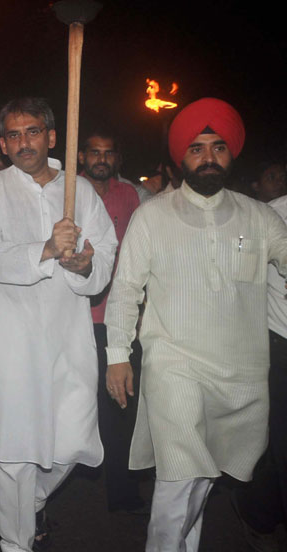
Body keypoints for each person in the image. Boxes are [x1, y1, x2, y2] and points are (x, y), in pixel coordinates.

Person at [105, 98, 287, 552]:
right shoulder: (152, 216)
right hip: (175, 364)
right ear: (180, 157)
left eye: (218, 147)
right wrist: (117, 357)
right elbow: (126, 289)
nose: (208, 158)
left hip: (241, 375)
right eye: (197, 148)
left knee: (204, 478)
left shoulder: (260, 218)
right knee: (179, 477)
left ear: (232, 154)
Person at [0, 97, 117, 552]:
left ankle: (27, 501)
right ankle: (15, 542)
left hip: (68, 339)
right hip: (10, 340)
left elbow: (106, 251)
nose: (22, 142)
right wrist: (48, 249)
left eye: (32, 132)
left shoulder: (80, 190)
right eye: (13, 135)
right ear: (2, 143)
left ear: (51, 137)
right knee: (14, 452)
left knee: (72, 442)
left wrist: (85, 266)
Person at [77, 128, 145, 514]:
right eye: (94, 152)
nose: (101, 159)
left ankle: (121, 491)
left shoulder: (130, 196)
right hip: (75, 316)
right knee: (78, 400)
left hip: (118, 318)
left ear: (117, 158)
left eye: (108, 153)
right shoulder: (69, 191)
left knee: (121, 403)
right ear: (83, 156)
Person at [233, 188, 287, 551]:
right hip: (278, 346)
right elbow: (236, 273)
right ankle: (261, 520)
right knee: (271, 444)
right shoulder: (271, 215)